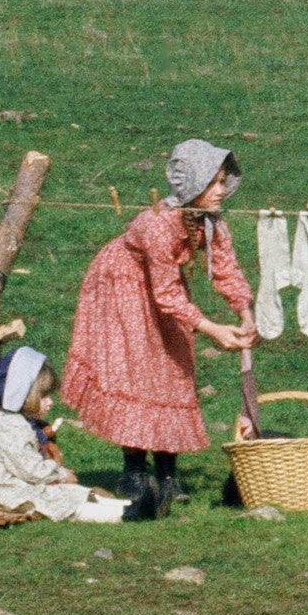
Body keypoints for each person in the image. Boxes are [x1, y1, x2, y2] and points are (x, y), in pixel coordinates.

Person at [62, 139, 254, 518]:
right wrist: (213, 329)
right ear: (193, 182)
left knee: (173, 367)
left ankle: (168, 473)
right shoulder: (158, 225)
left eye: (223, 182)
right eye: (213, 182)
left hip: (161, 286)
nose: (221, 190)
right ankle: (134, 472)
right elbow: (166, 294)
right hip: (122, 285)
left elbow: (226, 269)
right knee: (137, 370)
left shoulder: (210, 221)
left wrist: (245, 313)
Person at [0, 346, 131, 522]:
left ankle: (128, 506)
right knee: (52, 499)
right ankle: (121, 515)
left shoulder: (5, 419)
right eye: (44, 396)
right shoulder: (5, 424)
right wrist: (60, 475)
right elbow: (30, 469)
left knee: (59, 493)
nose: (50, 402)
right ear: (23, 394)